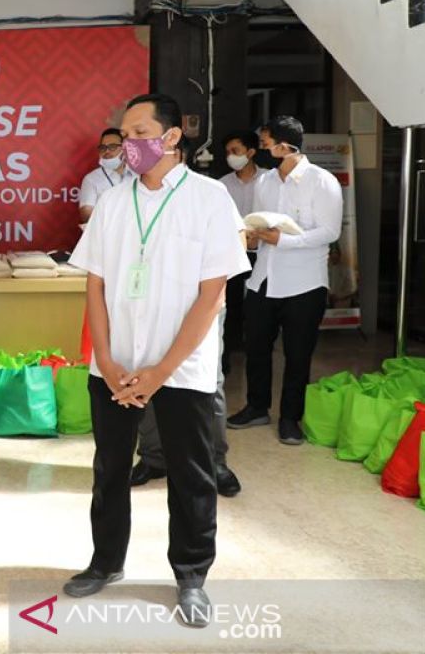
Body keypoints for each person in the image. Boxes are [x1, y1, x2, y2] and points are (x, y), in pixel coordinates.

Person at [65, 93, 249, 628]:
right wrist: (106, 356)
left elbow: (212, 295)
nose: (128, 145)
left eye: (139, 133)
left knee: (192, 474)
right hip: (116, 368)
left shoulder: (211, 200)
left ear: (171, 137)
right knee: (109, 468)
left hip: (183, 371)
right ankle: (106, 561)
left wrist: (160, 372)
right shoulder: (114, 203)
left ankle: (191, 575)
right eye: (123, 135)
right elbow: (95, 286)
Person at [130, 134, 243, 499]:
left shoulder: (207, 194)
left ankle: (215, 461)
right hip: (147, 307)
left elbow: (235, 242)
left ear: (177, 150)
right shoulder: (131, 196)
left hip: (199, 308)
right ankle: (153, 456)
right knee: (145, 377)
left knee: (206, 383)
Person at [227, 116, 342, 445]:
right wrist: (255, 235)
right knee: (256, 347)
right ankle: (256, 406)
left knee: (297, 353)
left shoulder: (322, 181)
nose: (262, 149)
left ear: (285, 145)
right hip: (263, 278)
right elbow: (263, 223)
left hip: (304, 283)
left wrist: (284, 240)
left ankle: (291, 417)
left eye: (265, 144)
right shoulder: (266, 182)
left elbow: (330, 231)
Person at [218, 131, 268, 370]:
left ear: (250, 152)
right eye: (228, 152)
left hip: (265, 252)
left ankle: (256, 350)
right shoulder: (222, 184)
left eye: (236, 151)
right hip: (233, 253)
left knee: (260, 306)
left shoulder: (269, 180)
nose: (231, 157)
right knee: (231, 304)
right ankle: (227, 353)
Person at [78, 128, 128, 223]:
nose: (107, 152)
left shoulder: (138, 175)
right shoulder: (91, 179)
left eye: (112, 146)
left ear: (124, 148)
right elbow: (86, 213)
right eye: (103, 148)